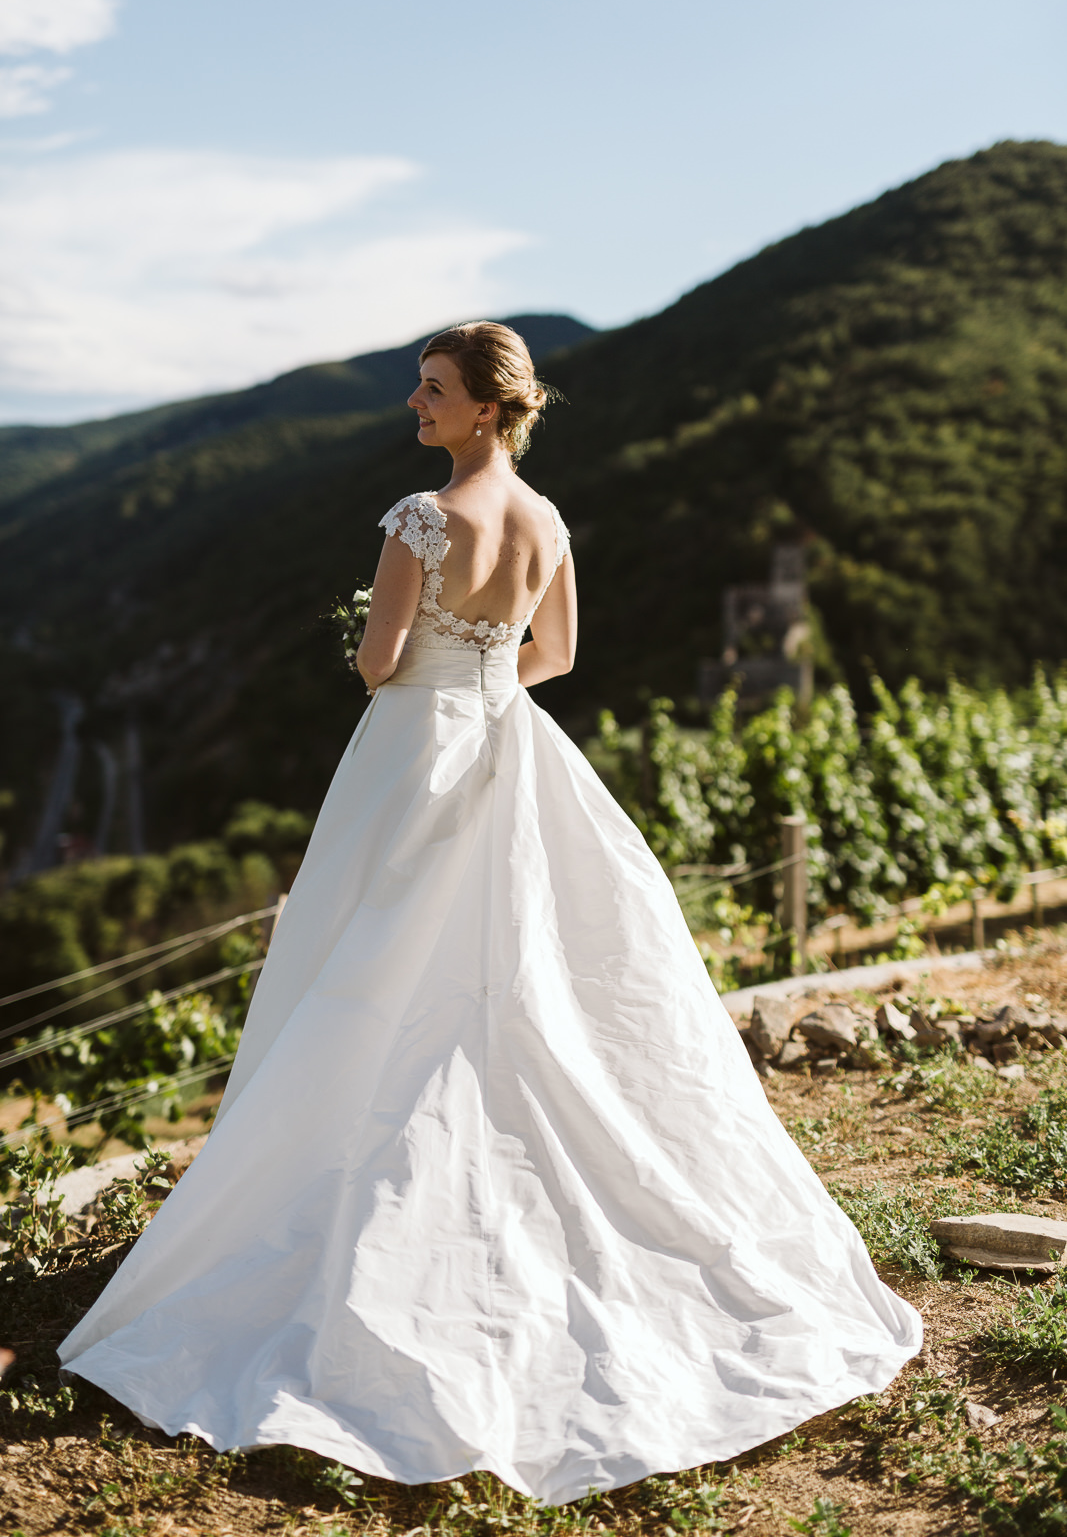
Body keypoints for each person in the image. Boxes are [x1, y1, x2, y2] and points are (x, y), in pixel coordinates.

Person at [60, 322, 922, 1506]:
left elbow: (376, 662)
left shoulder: (419, 519)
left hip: (411, 750)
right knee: (515, 975)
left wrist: (411, 665)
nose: (414, 404)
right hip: (506, 741)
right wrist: (475, 679)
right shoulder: (548, 521)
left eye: (431, 389)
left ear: (481, 408)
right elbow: (553, 653)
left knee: (369, 969)